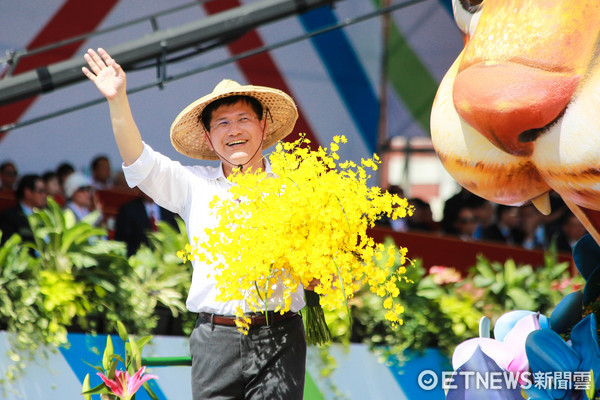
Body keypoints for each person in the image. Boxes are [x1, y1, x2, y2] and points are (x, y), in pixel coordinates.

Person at [83, 47, 308, 399]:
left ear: (263, 126)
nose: (234, 130)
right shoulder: (193, 184)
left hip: (281, 335)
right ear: (208, 137)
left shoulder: (298, 187)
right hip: (215, 339)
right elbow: (139, 162)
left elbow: (320, 261)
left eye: (243, 118)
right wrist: (117, 99)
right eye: (222, 122)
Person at [114, 189, 179, 256]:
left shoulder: (168, 208)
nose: (150, 191)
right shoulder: (128, 210)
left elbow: (175, 233)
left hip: (167, 257)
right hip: (138, 257)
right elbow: (122, 241)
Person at [0, 174, 47, 245]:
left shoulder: (47, 215)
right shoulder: (9, 217)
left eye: (45, 191)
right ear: (28, 193)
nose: (44, 195)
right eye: (41, 191)